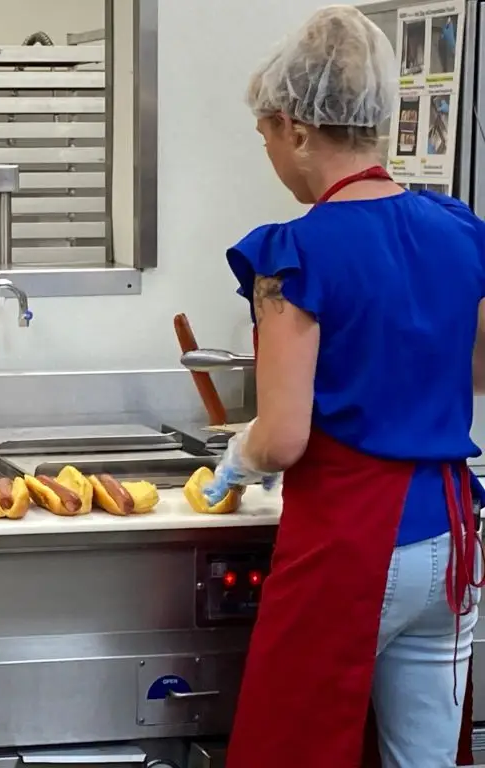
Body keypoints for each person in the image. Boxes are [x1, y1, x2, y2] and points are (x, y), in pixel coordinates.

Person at [201, 7, 484, 767]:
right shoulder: (460, 228)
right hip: (452, 537)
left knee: (292, 748)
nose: (270, 155)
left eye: (265, 137)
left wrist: (239, 455)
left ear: (293, 127)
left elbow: (285, 437)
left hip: (353, 544)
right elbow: (477, 368)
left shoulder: (294, 254)